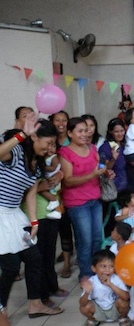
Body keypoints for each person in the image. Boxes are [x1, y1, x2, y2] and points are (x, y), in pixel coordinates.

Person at [0, 116, 63, 319]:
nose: (50, 148)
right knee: (10, 267)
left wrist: (34, 221)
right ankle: (1, 309)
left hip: (15, 216)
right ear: (34, 137)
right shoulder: (16, 152)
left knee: (34, 258)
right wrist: (21, 135)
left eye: (53, 144)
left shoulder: (35, 163)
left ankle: (36, 304)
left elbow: (30, 193)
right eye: (48, 143)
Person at [59, 117, 112, 280]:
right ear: (70, 133)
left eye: (86, 130)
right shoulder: (65, 152)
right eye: (80, 131)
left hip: (95, 199)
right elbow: (67, 180)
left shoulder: (93, 148)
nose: (84, 134)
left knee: (97, 238)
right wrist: (92, 175)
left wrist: (106, 173)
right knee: (85, 240)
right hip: (77, 203)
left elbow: (99, 170)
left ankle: (97, 272)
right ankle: (86, 274)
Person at [49, 111, 73, 277]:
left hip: (70, 189)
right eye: (57, 120)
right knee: (59, 228)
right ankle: (64, 259)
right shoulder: (49, 140)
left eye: (64, 120)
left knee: (69, 228)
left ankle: (67, 263)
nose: (61, 123)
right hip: (52, 191)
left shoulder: (72, 142)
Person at [79, 250, 130, 326]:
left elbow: (126, 297)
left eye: (111, 266)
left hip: (114, 309)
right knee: (84, 308)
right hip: (98, 310)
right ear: (94, 269)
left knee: (125, 303)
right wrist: (87, 292)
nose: (107, 270)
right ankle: (92, 320)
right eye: (103, 266)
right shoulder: (91, 281)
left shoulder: (116, 278)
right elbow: (82, 303)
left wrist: (110, 285)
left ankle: (122, 318)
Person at [99, 118, 127, 192]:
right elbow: (101, 166)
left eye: (122, 131)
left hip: (128, 186)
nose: (120, 134)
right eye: (116, 131)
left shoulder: (126, 145)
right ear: (110, 132)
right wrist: (113, 159)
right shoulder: (105, 147)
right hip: (114, 188)